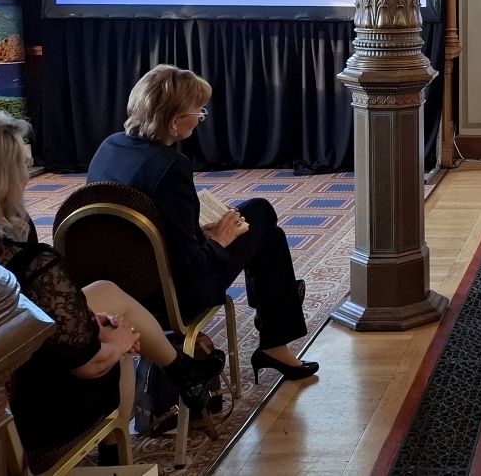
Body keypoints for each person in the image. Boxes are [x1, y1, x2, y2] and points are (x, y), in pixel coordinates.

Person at [0, 112, 223, 460]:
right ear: (7, 175)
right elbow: (89, 364)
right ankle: (116, 454)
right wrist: (118, 341)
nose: (28, 170)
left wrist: (91, 324)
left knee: (106, 292)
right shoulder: (32, 261)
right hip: (29, 409)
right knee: (120, 341)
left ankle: (184, 372)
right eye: (23, 162)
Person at [86, 65, 319, 384]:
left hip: (119, 284)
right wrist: (217, 240)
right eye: (198, 111)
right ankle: (278, 329)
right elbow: (192, 266)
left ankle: (279, 324)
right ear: (174, 121)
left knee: (265, 232)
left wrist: (198, 233)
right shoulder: (171, 167)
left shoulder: (109, 146)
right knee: (262, 216)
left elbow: (146, 230)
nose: (199, 119)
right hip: (173, 292)